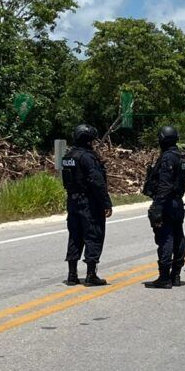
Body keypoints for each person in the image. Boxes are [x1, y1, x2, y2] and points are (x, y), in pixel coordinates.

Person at [60, 123, 113, 286]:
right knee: (93, 235)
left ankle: (72, 275)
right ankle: (91, 274)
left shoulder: (68, 157)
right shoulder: (87, 157)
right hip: (89, 203)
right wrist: (106, 203)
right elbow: (97, 182)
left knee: (75, 236)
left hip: (72, 201)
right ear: (88, 140)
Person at [144, 125, 185, 289]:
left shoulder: (167, 159)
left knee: (166, 239)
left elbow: (164, 185)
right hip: (177, 203)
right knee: (178, 237)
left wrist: (157, 208)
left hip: (167, 203)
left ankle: (164, 277)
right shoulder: (182, 157)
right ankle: (175, 275)